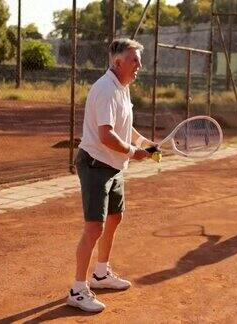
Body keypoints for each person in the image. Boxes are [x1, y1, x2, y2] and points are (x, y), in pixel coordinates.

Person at [67, 38, 158, 312]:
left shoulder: (122, 87)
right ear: (118, 63)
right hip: (96, 164)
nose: (139, 66)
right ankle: (77, 289)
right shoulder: (106, 89)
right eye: (135, 60)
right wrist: (133, 152)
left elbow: (124, 126)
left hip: (113, 166)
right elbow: (107, 135)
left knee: (115, 217)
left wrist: (143, 143)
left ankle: (101, 273)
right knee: (94, 227)